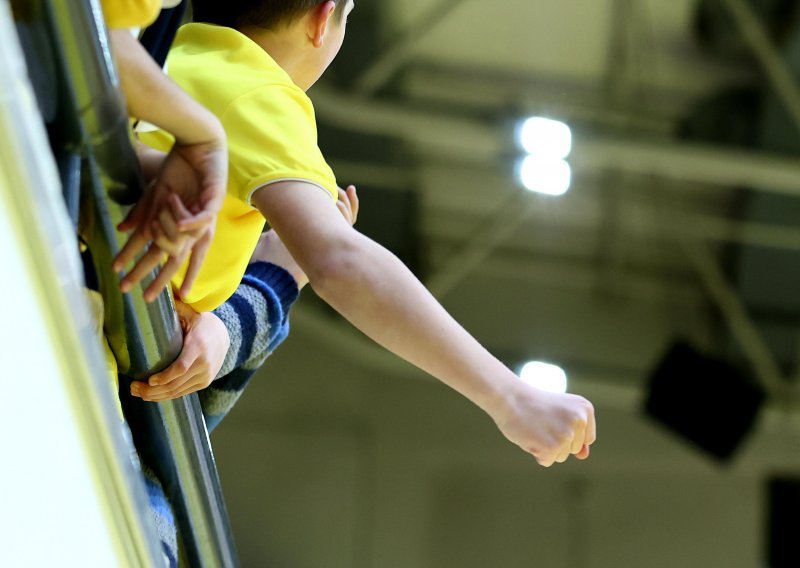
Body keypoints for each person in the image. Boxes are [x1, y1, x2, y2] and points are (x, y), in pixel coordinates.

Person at [136, 0, 596, 467]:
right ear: (323, 18)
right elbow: (341, 262)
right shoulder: (260, 92)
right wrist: (511, 398)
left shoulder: (165, 54)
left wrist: (275, 270)